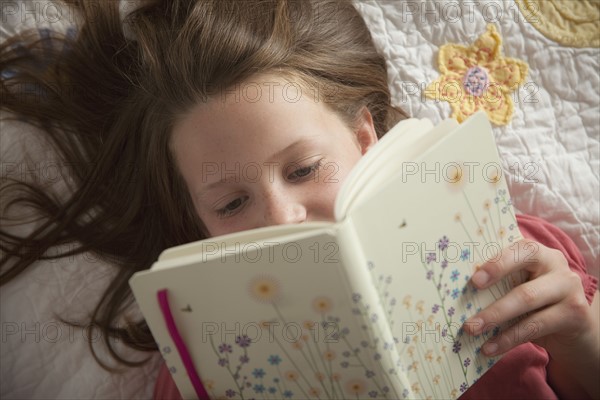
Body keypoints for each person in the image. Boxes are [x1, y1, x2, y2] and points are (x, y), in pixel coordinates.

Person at [0, 0, 597, 399]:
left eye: (305, 168)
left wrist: (579, 336)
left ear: (366, 137)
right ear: (196, 221)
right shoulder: (202, 359)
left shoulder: (508, 247)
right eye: (231, 204)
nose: (281, 217)